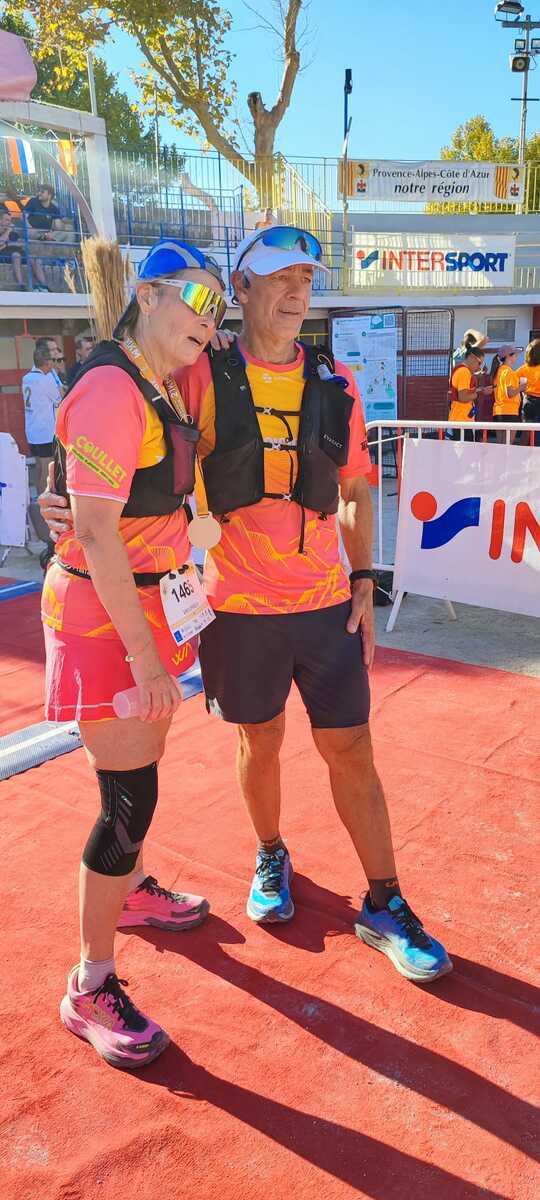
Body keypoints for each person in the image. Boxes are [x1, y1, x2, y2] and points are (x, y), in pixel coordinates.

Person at [40, 226, 452, 986]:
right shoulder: (200, 371)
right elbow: (120, 422)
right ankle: (270, 854)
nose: (297, 292)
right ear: (244, 288)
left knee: (352, 749)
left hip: (325, 604)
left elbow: (356, 489)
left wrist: (365, 579)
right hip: (233, 605)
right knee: (257, 741)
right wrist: (62, 497)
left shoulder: (336, 381)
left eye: (307, 279)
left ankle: (386, 901)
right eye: (280, 277)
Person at [41, 237, 228, 1070]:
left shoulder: (158, 378)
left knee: (137, 772)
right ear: (148, 295)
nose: (210, 321)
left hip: (151, 605)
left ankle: (134, 893)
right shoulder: (114, 387)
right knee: (128, 799)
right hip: (105, 620)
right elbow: (91, 530)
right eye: (199, 300)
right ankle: (89, 982)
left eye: (219, 308)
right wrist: (148, 661)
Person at [22, 342, 63, 493]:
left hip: (32, 431)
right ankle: (42, 501)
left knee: (39, 467)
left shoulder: (26, 377)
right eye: (52, 360)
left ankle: (37, 497)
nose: (54, 362)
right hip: (45, 432)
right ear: (47, 362)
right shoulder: (46, 380)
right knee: (47, 471)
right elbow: (60, 399)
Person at [448, 344, 492, 441]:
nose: (479, 367)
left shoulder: (463, 371)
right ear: (472, 357)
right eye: (479, 363)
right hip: (461, 421)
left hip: (461, 420)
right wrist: (480, 393)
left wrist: (480, 390)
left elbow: (465, 392)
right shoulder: (464, 372)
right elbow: (463, 397)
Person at [490, 344, 526, 444]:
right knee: (508, 444)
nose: (516, 357)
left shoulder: (498, 371)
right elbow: (510, 393)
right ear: (509, 356)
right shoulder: (508, 371)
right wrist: (522, 387)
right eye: (515, 355)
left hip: (498, 411)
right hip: (510, 412)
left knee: (501, 445)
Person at [520, 338, 540, 446]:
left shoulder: (524, 368)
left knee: (526, 431)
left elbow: (513, 381)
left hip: (528, 400)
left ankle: (522, 453)